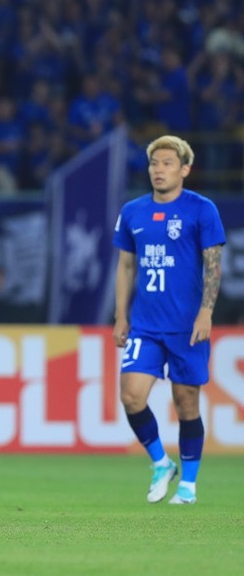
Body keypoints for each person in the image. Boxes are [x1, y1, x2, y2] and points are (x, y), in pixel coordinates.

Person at [113, 135, 224, 505]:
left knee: (186, 401)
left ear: (185, 169)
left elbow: (213, 264)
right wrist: (120, 315)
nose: (158, 170)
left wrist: (206, 311)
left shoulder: (201, 209)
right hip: (145, 325)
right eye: (153, 164)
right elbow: (126, 265)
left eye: (167, 164)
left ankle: (188, 486)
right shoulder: (132, 212)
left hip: (187, 325)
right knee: (131, 395)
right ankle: (161, 462)